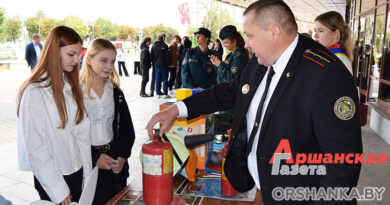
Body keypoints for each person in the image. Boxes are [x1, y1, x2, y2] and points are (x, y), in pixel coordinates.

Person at [147, 1, 362, 204]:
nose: (246, 43)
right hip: (261, 188)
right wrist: (177, 109)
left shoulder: (326, 74)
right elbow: (230, 91)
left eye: (250, 36)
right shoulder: (262, 59)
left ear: (274, 32)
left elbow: (343, 164)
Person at [17, 26, 92, 204]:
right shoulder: (34, 92)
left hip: (77, 170)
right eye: (71, 54)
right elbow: (36, 148)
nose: (76, 60)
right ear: (53, 52)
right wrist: (58, 189)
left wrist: (86, 175)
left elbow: (83, 135)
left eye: (78, 54)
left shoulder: (70, 85)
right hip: (53, 176)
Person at [79, 38, 135, 204]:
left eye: (112, 62)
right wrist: (94, 156)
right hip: (86, 160)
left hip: (113, 159)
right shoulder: (75, 92)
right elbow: (69, 134)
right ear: (89, 59)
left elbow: (127, 129)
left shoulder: (115, 93)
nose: (109, 67)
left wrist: (123, 156)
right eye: (103, 60)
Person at [151, 34, 170, 98]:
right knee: (165, 79)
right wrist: (168, 64)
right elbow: (167, 56)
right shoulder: (165, 46)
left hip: (156, 65)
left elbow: (152, 56)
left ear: (157, 38)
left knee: (157, 79)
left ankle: (157, 94)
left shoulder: (153, 46)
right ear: (163, 38)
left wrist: (154, 63)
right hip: (164, 65)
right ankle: (165, 94)